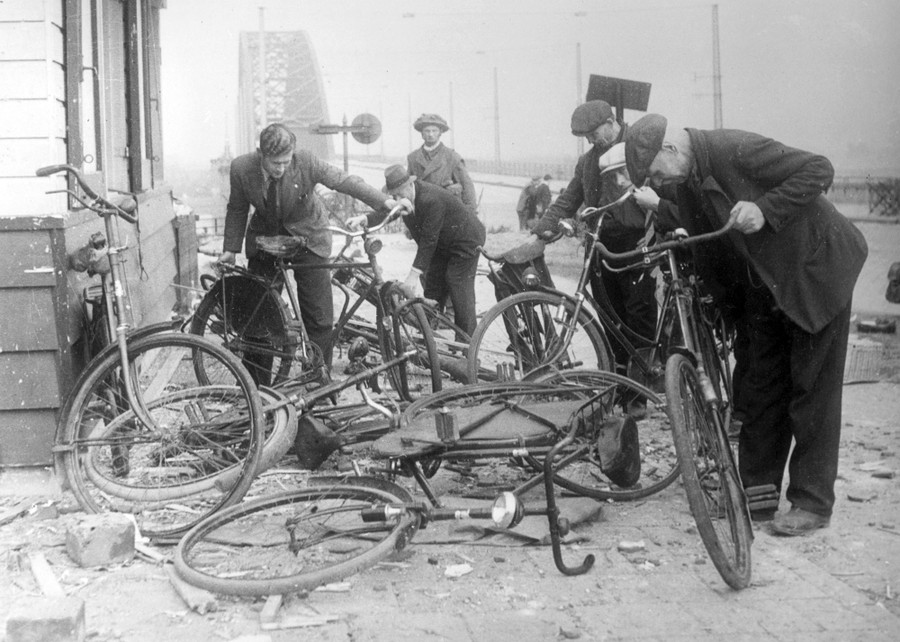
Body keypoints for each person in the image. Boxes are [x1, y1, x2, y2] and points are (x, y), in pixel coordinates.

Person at [625, 113, 868, 535]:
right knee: (760, 387)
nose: (656, 183)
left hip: (816, 271)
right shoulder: (685, 185)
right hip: (768, 286)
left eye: (654, 173)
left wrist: (764, 208)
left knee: (811, 389)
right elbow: (713, 254)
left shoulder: (731, 146)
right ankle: (756, 498)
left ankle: (812, 503)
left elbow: (819, 168)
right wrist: (729, 314)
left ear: (669, 149)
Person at [219, 123, 397, 380]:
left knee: (319, 316)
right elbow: (236, 208)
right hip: (267, 241)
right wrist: (230, 249)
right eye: (275, 163)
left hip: (308, 236)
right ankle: (257, 387)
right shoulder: (241, 168)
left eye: (286, 162)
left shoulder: (306, 161)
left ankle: (317, 380)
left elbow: (344, 181)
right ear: (261, 155)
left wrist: (384, 201)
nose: (281, 169)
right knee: (260, 313)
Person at [528, 101, 666, 414]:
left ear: (609, 122)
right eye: (586, 136)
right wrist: (542, 228)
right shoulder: (587, 161)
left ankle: (638, 393)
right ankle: (619, 385)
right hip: (599, 245)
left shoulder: (639, 146)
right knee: (608, 316)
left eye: (593, 133)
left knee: (639, 314)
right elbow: (568, 199)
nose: (591, 140)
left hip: (636, 243)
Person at [347, 165, 486, 337]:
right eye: (394, 196)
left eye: (399, 194)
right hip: (443, 243)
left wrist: (412, 275)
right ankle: (430, 336)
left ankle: (468, 343)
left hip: (466, 240)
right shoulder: (406, 199)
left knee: (456, 281)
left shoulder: (430, 199)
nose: (397, 199)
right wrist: (365, 219)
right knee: (432, 283)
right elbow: (390, 213)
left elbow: (429, 240)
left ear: (409, 185)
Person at [407, 113, 477, 212]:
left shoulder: (452, 157)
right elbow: (407, 186)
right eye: (427, 131)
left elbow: (467, 186)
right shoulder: (413, 158)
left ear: (440, 133)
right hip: (422, 210)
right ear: (422, 134)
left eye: (434, 131)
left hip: (446, 211)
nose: (430, 134)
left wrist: (470, 213)